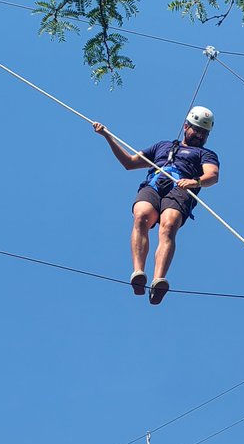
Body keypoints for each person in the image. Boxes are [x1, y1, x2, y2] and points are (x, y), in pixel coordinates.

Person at [92, 106, 220, 305]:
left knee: (168, 226)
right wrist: (107, 136)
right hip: (154, 183)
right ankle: (138, 273)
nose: (199, 136)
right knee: (141, 216)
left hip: (181, 186)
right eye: (196, 130)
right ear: (186, 126)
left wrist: (195, 182)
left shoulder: (206, 154)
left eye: (204, 133)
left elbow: (212, 176)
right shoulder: (162, 146)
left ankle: (158, 280)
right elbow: (129, 163)